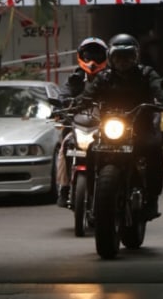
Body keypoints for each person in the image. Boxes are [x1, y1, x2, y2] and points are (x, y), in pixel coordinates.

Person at [79, 33, 163, 220]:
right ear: (111, 57)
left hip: (141, 126)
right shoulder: (104, 78)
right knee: (91, 150)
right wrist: (75, 103)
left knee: (153, 149)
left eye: (128, 56)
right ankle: (93, 201)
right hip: (110, 127)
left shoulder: (146, 74)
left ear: (135, 56)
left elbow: (159, 87)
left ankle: (152, 198)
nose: (123, 61)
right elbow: (88, 95)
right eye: (118, 56)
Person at [55, 37, 108, 207]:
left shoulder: (110, 78)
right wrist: (62, 105)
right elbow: (63, 95)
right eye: (88, 55)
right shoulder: (75, 79)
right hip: (81, 124)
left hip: (106, 126)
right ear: (80, 56)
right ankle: (64, 187)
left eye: (97, 55)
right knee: (65, 144)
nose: (92, 60)